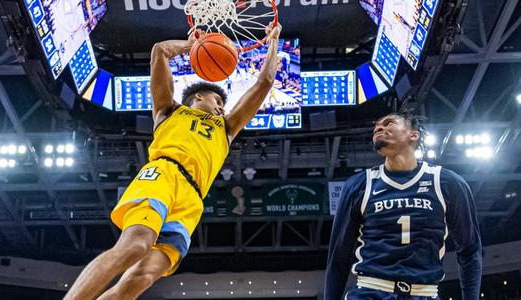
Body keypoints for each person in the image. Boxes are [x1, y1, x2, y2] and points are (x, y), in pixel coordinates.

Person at [64, 23, 282, 300]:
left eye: (223, 105)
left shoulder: (226, 127)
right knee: (135, 246)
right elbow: (159, 52)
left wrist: (273, 42)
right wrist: (191, 46)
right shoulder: (168, 110)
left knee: (141, 278)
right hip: (163, 174)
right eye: (217, 100)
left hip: (191, 200)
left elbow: (264, 83)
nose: (221, 107)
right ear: (197, 97)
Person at [324, 112, 482, 300]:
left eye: (389, 123)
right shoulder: (359, 185)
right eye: (376, 127)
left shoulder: (447, 183)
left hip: (425, 293)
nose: (379, 128)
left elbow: (470, 250)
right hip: (371, 291)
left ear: (413, 135)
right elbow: (338, 257)